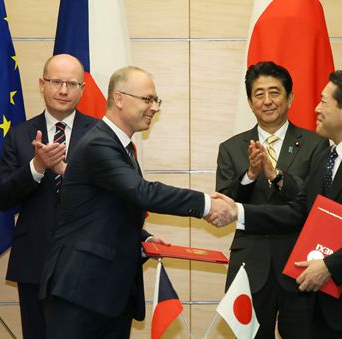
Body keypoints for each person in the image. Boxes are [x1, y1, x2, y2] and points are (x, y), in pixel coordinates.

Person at [211, 70, 342, 338]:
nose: (316, 109)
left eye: (324, 102)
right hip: (327, 306)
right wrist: (238, 212)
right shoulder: (328, 156)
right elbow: (300, 211)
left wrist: (329, 266)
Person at [39, 65, 230, 338]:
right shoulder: (98, 144)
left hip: (108, 294)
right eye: (147, 99)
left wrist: (143, 238)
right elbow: (143, 193)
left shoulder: (121, 148)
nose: (154, 107)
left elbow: (105, 211)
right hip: (80, 291)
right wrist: (207, 205)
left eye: (156, 101)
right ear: (119, 99)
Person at [216, 61, 328, 338]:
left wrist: (277, 176)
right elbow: (225, 204)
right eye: (259, 94)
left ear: (289, 97)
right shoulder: (231, 148)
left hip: (300, 265)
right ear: (250, 102)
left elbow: (315, 200)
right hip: (250, 265)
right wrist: (250, 175)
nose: (267, 101)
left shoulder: (317, 144)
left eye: (275, 93)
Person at [0, 54, 98, 339]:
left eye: (72, 84)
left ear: (83, 89)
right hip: (35, 261)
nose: (63, 90)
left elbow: (113, 197)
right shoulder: (19, 134)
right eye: (56, 82)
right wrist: (36, 167)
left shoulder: (100, 134)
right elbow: (1, 197)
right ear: (42, 84)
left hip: (86, 264)